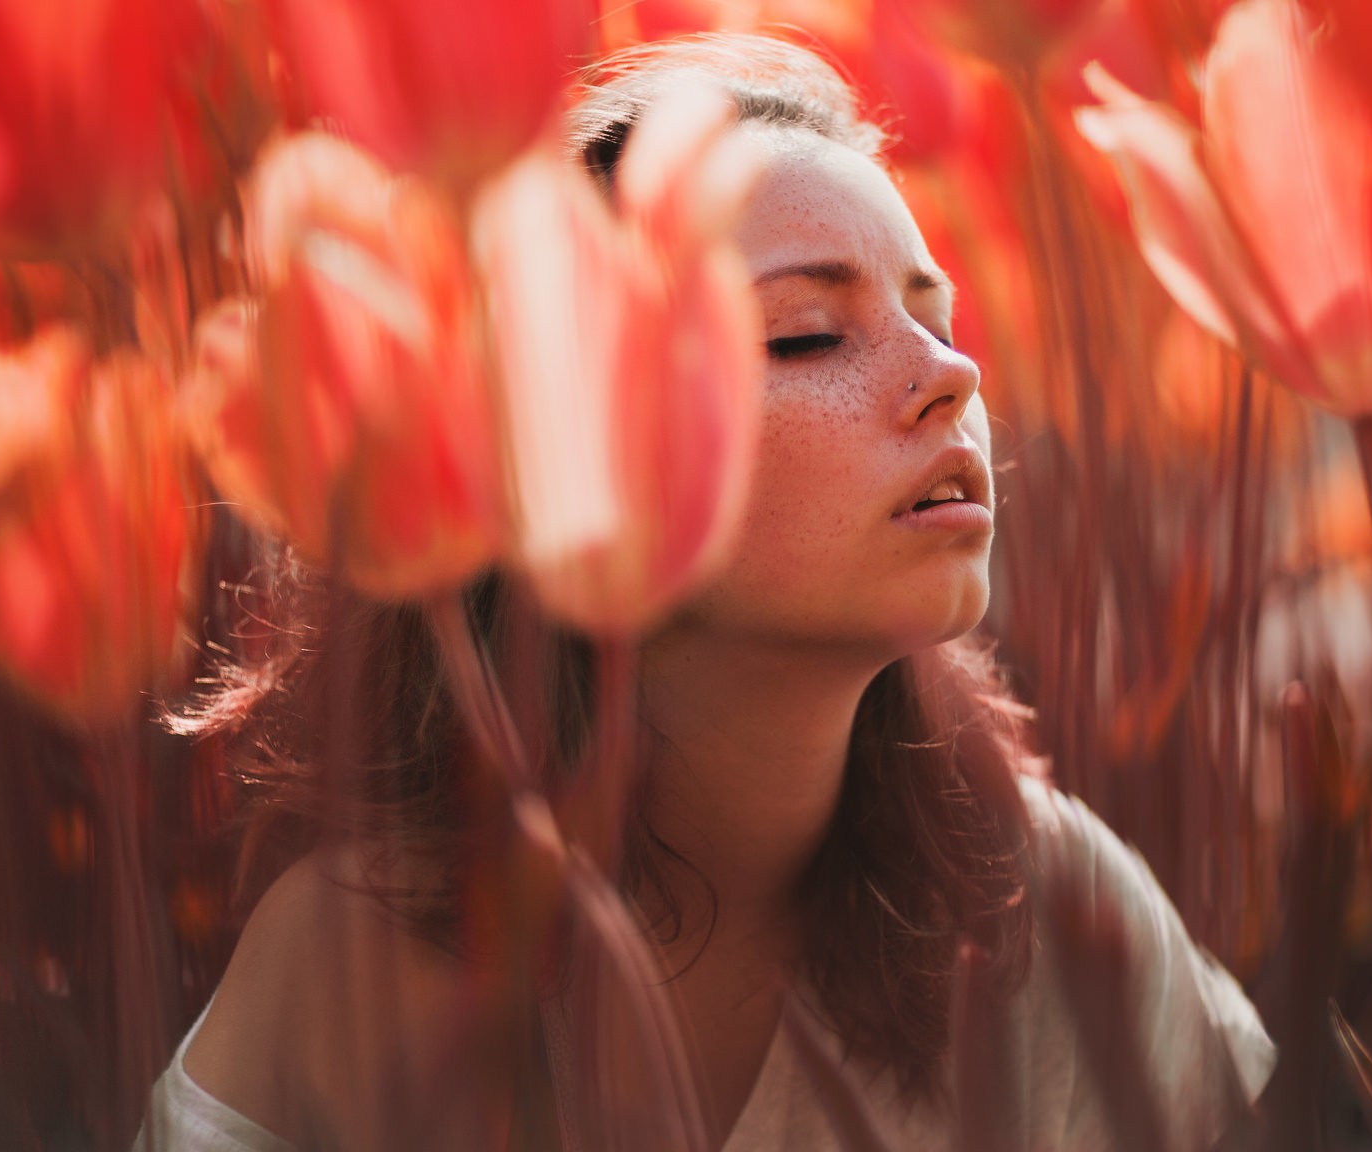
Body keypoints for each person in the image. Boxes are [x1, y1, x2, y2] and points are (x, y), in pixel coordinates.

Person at [137, 33, 1272, 1152]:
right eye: (808, 334)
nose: (954, 376)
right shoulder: (354, 969)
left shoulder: (1041, 904)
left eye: (936, 317)